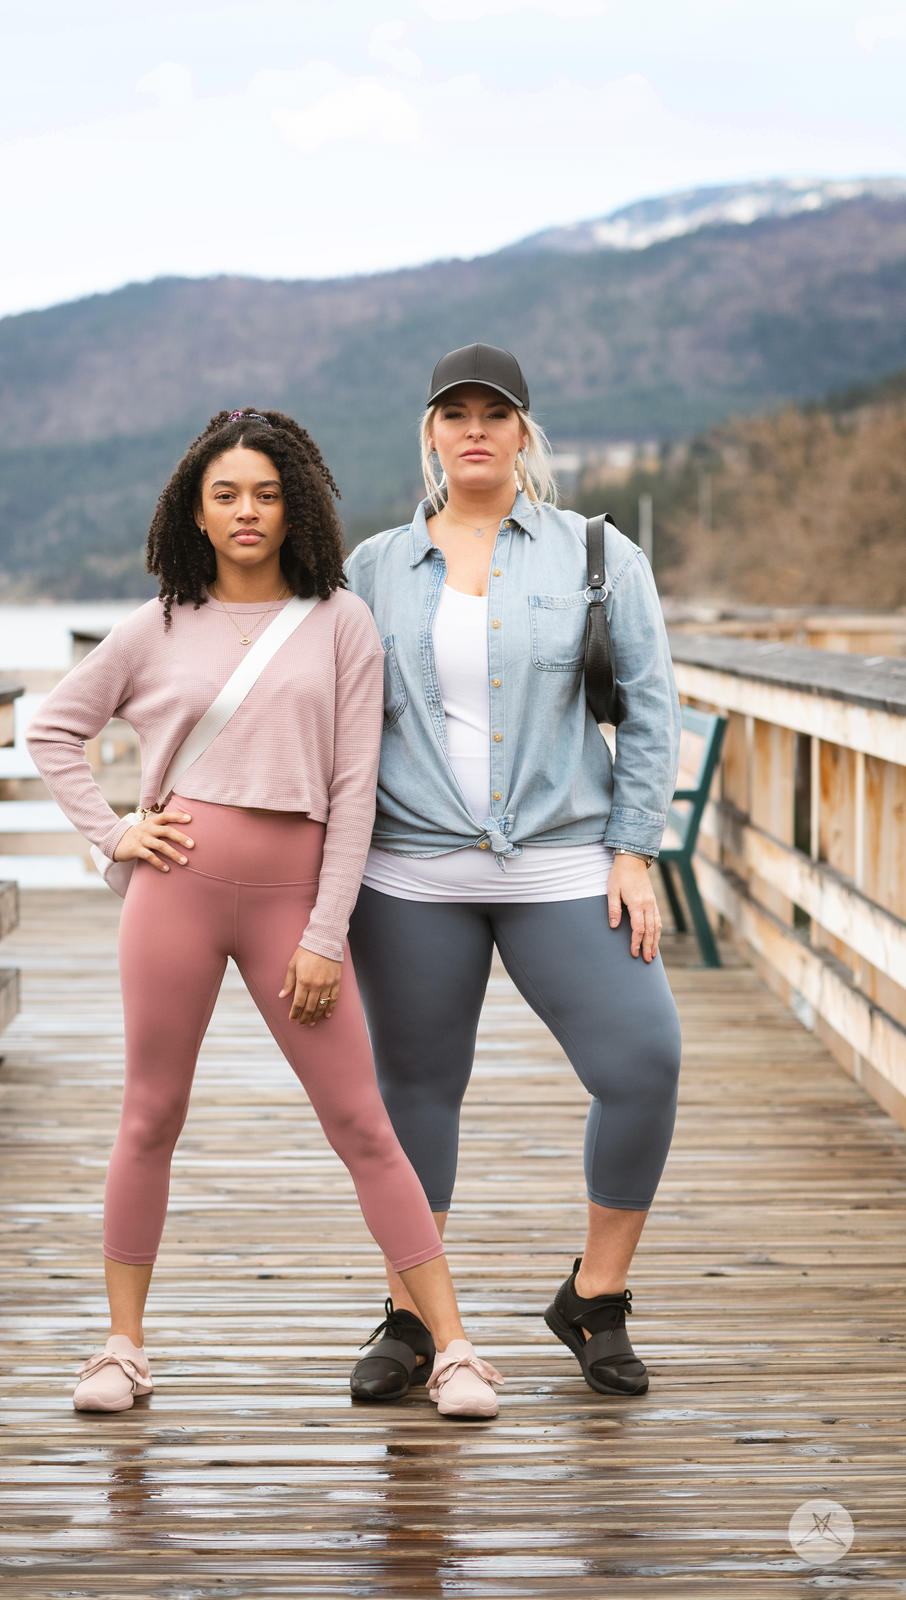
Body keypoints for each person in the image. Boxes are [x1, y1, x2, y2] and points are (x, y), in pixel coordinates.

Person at [25, 408, 501, 1419]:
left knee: (363, 1124)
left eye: (268, 493)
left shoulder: (340, 623)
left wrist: (327, 932)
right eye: (227, 494)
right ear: (194, 512)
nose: (248, 511)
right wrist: (112, 832)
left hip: (295, 900)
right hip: (175, 894)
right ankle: (120, 1347)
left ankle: (455, 1350)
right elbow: (52, 728)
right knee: (149, 1113)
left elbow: (356, 788)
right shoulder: (153, 625)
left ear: (297, 507)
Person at [344, 346, 682, 1402]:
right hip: (409, 873)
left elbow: (651, 701)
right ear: (430, 431)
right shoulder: (371, 569)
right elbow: (317, 713)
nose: (476, 428)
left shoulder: (597, 554)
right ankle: (409, 1315)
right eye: (456, 413)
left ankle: (597, 1295)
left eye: (497, 413)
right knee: (415, 1096)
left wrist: (633, 849)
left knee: (643, 1060)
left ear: (525, 431)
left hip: (563, 860)